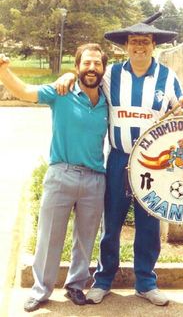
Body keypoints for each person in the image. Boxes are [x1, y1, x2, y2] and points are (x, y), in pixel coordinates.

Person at [56, 18, 183, 307]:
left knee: (148, 224)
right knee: (111, 221)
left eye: (145, 41)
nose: (139, 46)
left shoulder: (167, 77)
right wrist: (67, 77)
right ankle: (103, 280)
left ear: (153, 45)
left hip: (152, 164)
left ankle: (145, 282)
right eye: (134, 41)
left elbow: (182, 107)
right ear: (126, 46)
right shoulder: (112, 74)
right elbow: (86, 76)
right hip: (118, 158)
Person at [0, 43, 108, 312]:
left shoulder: (109, 98)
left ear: (104, 68)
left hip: (95, 179)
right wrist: (3, 71)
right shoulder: (61, 92)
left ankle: (75, 286)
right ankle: (41, 289)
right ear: (77, 66)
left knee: (86, 238)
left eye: (97, 63)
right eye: (86, 63)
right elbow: (24, 92)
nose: (92, 68)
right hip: (62, 174)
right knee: (49, 237)